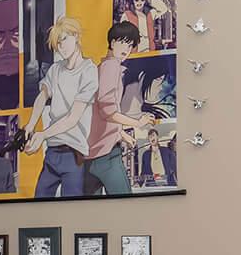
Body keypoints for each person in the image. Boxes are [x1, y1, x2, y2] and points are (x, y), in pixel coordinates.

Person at [22, 16, 98, 198]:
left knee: (72, 210)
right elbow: (42, 96)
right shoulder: (55, 69)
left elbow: (73, 117)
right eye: (58, 42)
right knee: (39, 202)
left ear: (76, 36)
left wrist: (42, 134)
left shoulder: (89, 70)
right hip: (52, 153)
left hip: (74, 153)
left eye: (64, 39)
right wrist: (31, 125)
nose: (61, 46)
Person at [82, 20, 151, 196]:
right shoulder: (111, 66)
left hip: (90, 156)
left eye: (131, 45)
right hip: (106, 156)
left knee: (90, 215)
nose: (127, 49)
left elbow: (98, 113)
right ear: (112, 42)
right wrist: (137, 122)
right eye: (123, 42)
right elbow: (107, 111)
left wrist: (122, 134)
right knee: (126, 207)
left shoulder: (101, 68)